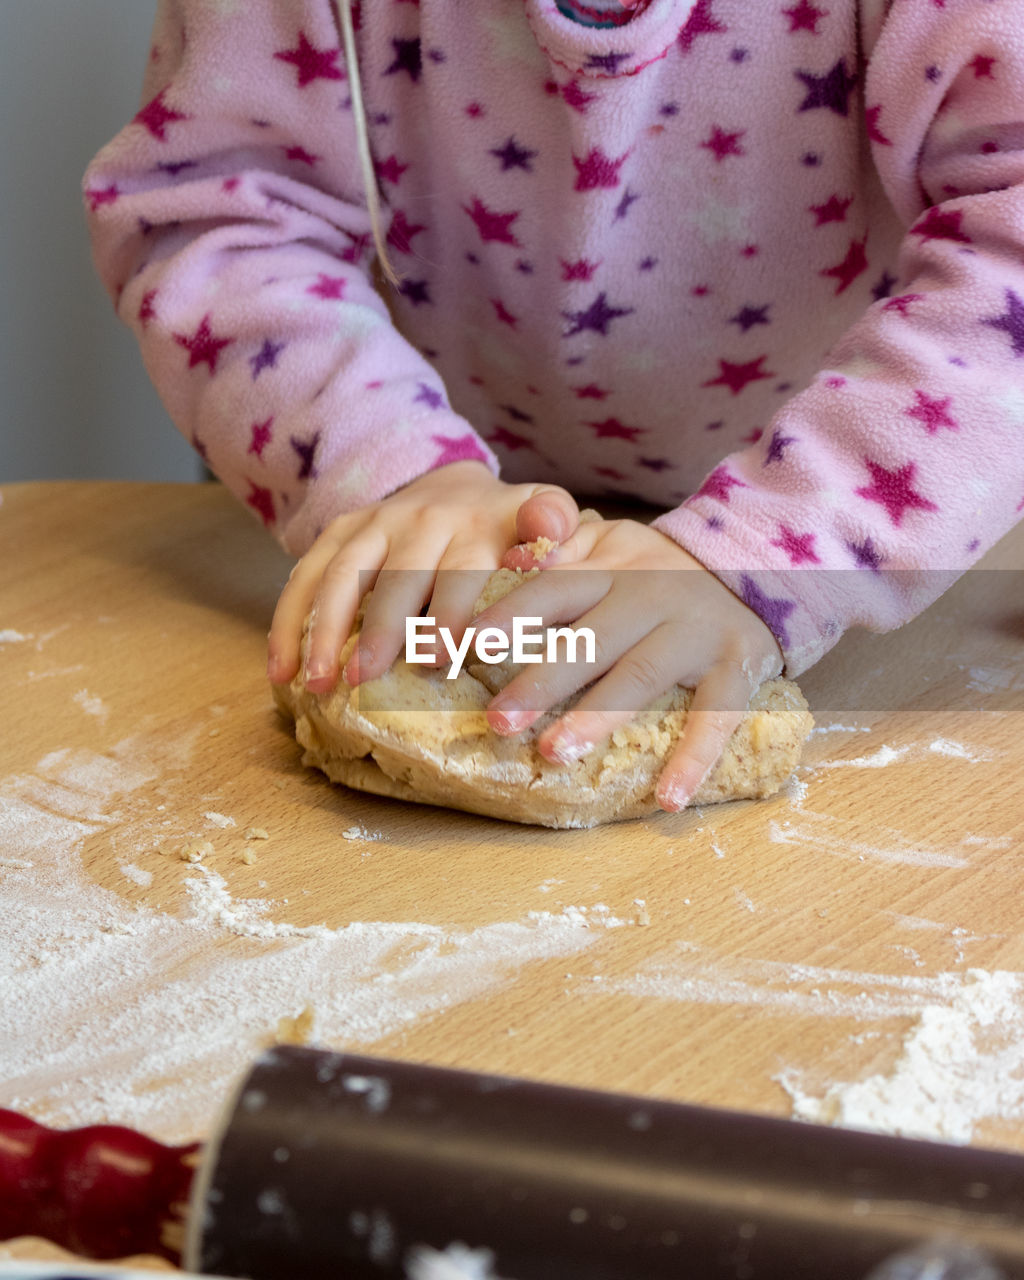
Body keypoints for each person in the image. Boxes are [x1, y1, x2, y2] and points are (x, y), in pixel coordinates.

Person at [83, 0, 1024, 812]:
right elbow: (219, 214)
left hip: (882, 514)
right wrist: (389, 466)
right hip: (429, 482)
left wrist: (763, 553)